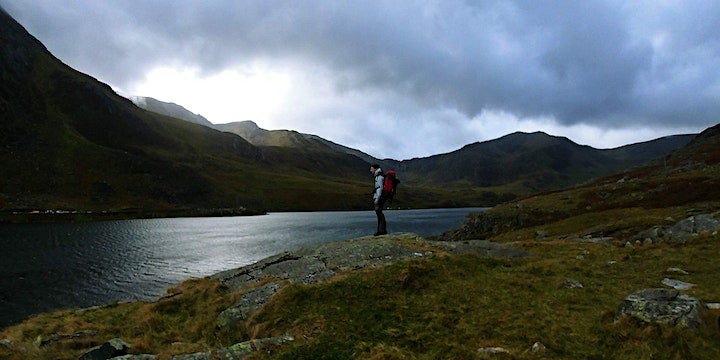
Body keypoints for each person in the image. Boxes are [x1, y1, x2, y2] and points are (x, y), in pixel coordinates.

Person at [370, 164, 387, 236]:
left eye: (371, 169)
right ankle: (381, 230)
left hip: (379, 197)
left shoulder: (379, 177)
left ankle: (381, 231)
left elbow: (380, 188)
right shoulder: (378, 176)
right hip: (380, 197)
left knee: (379, 213)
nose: (370, 170)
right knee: (379, 213)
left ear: (375, 169)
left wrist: (377, 198)